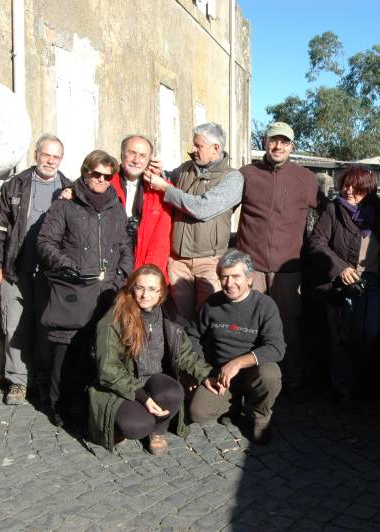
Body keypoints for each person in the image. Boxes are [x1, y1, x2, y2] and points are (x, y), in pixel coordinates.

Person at [37, 150, 133, 426]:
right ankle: (59, 407)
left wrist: (121, 276)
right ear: (85, 172)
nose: (102, 180)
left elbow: (125, 245)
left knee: (98, 350)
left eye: (108, 176)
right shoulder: (65, 205)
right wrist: (70, 267)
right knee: (66, 353)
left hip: (107, 291)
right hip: (74, 290)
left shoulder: (116, 206)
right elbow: (45, 242)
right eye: (97, 174)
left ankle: (89, 405)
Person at [0, 133, 69, 405]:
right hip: (15, 269)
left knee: (46, 328)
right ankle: (17, 382)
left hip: (49, 275)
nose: (50, 161)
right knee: (14, 326)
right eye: (46, 155)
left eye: (56, 156)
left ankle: (43, 379)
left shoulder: (69, 188)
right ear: (36, 155)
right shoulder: (15, 186)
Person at [88, 264, 214, 454]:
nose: (145, 295)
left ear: (161, 292)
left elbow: (185, 353)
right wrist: (143, 398)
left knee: (173, 392)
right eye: (140, 288)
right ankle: (116, 427)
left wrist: (207, 375)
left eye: (152, 289)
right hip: (120, 386)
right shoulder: (115, 318)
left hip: (153, 379)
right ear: (132, 288)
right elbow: (108, 369)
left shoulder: (169, 315)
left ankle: (158, 431)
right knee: (139, 425)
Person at [235, 121, 321, 398]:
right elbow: (220, 207)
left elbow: (329, 212)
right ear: (265, 141)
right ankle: (249, 383)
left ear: (292, 146)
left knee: (289, 327)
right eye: (274, 140)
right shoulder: (246, 174)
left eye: (284, 142)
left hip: (288, 267)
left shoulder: (305, 178)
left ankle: (292, 380)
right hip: (252, 267)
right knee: (249, 326)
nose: (278, 146)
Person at [308, 166, 380, 408]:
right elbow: (317, 242)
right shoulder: (333, 210)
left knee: (369, 333)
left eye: (356, 186)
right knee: (341, 337)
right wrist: (340, 268)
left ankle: (363, 383)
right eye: (346, 184)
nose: (349, 190)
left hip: (372, 281)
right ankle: (343, 390)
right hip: (341, 283)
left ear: (368, 189)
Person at [144, 123, 243, 321]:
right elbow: (167, 183)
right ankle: (180, 353)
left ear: (215, 148)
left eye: (198, 146)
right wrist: (161, 173)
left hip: (209, 262)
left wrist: (165, 188)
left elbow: (202, 208)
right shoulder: (184, 169)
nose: (193, 150)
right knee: (177, 320)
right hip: (178, 262)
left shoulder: (232, 178)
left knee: (210, 318)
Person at [187, 249, 285, 444]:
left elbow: (276, 348)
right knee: (198, 413)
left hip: (253, 372)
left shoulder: (265, 305)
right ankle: (232, 407)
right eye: (224, 277)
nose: (229, 283)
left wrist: (238, 363)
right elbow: (193, 336)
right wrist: (203, 372)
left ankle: (259, 416)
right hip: (219, 375)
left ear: (249, 279)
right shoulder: (211, 304)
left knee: (270, 374)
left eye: (235, 276)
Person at [109, 135, 172, 275]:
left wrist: (151, 273)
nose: (136, 160)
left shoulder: (161, 191)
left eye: (142, 156)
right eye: (132, 153)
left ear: (150, 160)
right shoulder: (105, 183)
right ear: (121, 154)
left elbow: (161, 239)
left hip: (145, 268)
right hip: (111, 265)